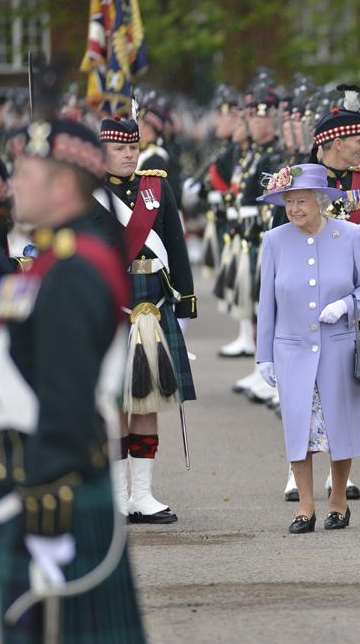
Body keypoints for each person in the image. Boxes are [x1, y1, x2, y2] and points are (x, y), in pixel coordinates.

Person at [2, 116, 146, 643]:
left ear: (62, 184)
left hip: (52, 491)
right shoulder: (55, 257)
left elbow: (64, 394)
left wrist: (44, 492)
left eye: (25, 170)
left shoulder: (73, 268)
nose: (13, 181)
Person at [255, 163, 360, 533]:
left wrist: (347, 306)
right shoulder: (274, 241)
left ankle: (338, 499)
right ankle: (305, 507)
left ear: (321, 201)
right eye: (288, 202)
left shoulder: (351, 235)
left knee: (339, 429)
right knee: (300, 430)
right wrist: (264, 354)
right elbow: (267, 303)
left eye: (301, 201)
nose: (294, 209)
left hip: (338, 348)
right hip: (291, 350)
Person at [95, 116, 197, 524]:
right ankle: (118, 495)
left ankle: (143, 494)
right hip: (110, 308)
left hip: (152, 309)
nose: (128, 154)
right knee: (117, 403)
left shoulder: (157, 187)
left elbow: (176, 242)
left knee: (147, 401)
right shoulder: (88, 193)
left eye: (133, 147)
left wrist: (185, 299)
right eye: (120, 148)